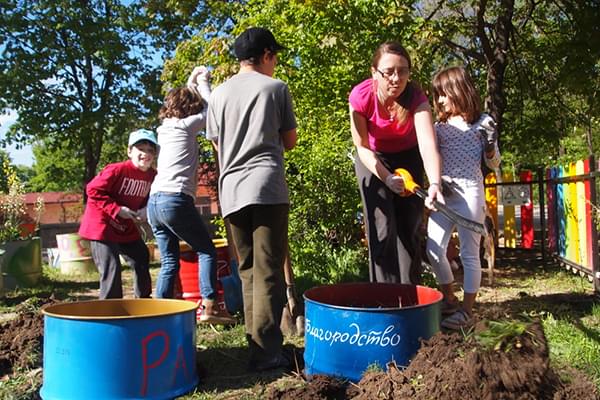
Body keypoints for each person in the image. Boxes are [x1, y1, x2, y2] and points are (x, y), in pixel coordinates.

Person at [206, 27, 297, 372]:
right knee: (269, 269)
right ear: (267, 56)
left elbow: (217, 144)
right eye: (275, 58)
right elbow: (289, 141)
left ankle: (256, 343)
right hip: (267, 188)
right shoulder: (275, 88)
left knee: (246, 270)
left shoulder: (218, 94)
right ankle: (268, 354)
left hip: (231, 191)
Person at [349, 41, 443, 285]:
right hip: (373, 158)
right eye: (388, 71)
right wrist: (386, 177)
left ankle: (409, 297)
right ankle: (384, 297)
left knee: (409, 227)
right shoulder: (361, 96)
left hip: (408, 156)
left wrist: (434, 183)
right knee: (382, 227)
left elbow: (427, 144)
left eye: (402, 71)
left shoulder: (416, 97)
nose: (396, 77)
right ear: (374, 73)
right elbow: (361, 146)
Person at [147, 66, 235, 325]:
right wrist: (204, 81)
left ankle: (158, 313)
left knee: (170, 260)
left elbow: (193, 102)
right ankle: (209, 306)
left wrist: (191, 82)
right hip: (175, 199)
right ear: (190, 109)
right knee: (206, 250)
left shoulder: (164, 127)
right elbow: (214, 109)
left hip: (154, 202)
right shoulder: (188, 125)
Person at [425, 66, 501, 330]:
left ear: (459, 90)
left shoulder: (483, 123)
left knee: (470, 253)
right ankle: (448, 298)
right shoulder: (439, 127)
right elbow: (429, 155)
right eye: (437, 96)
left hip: (470, 193)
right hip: (444, 195)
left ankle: (467, 312)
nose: (440, 100)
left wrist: (490, 144)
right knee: (433, 250)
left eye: (444, 94)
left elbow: (494, 164)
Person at [79, 129, 158, 299]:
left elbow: (149, 197)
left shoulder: (153, 175)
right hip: (102, 224)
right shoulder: (117, 170)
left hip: (124, 226)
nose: (146, 154)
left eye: (150, 150)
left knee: (141, 255)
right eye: (141, 149)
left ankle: (143, 301)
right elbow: (92, 189)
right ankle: (110, 310)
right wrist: (116, 209)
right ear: (130, 151)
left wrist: (145, 209)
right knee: (111, 266)